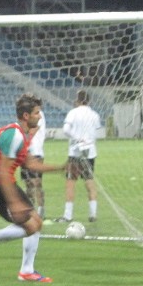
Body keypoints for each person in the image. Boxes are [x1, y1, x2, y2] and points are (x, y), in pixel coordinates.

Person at [0, 93, 65, 282]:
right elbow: (3, 172)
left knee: (36, 222)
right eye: (37, 113)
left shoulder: (20, 135)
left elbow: (30, 165)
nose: (40, 117)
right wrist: (14, 203)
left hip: (2, 185)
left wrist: (61, 168)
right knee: (31, 225)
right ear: (26, 116)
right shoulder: (15, 136)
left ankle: (27, 271)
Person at [57, 89, 100, 223]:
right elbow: (96, 132)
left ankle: (68, 215)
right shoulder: (94, 115)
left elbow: (66, 130)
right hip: (90, 152)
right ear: (89, 100)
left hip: (75, 152)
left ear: (77, 100)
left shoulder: (73, 113)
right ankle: (93, 214)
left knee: (70, 183)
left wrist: (77, 138)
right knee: (89, 182)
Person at [21, 110, 46, 218]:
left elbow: (32, 131)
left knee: (36, 183)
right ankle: (30, 209)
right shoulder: (25, 114)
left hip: (36, 153)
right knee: (28, 184)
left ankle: (41, 210)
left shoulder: (37, 113)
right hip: (26, 154)